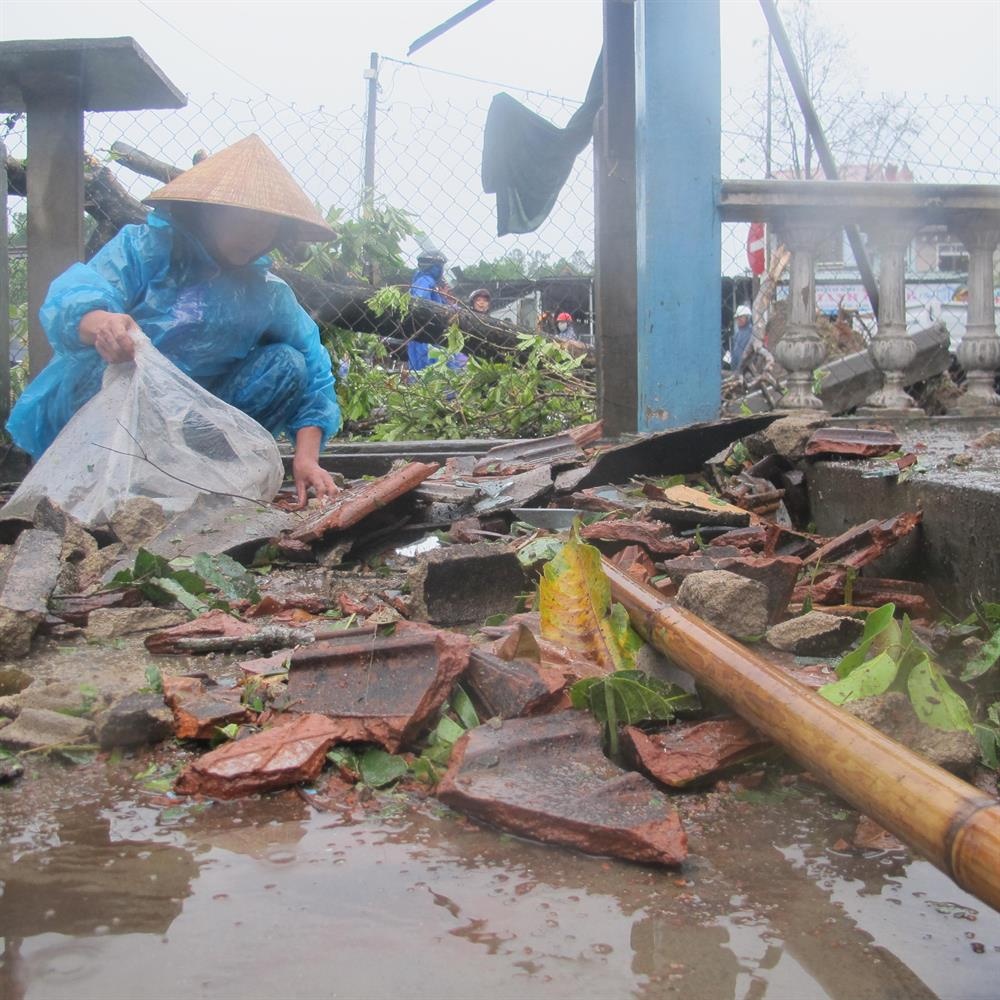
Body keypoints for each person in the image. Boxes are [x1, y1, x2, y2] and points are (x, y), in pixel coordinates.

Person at [6, 135, 341, 507]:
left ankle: (196, 488)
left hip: (190, 435)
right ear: (206, 212)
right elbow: (77, 293)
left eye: (268, 225)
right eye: (244, 220)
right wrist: (104, 323)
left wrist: (306, 458)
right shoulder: (145, 250)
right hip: (109, 417)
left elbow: (313, 371)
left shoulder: (267, 294)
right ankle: (101, 483)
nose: (256, 236)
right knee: (102, 365)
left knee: (288, 364)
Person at [408, 248, 449, 372]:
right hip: (425, 337)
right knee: (429, 372)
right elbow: (420, 304)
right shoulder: (426, 281)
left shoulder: (421, 280)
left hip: (423, 336)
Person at [731, 304, 754, 371]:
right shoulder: (737, 335)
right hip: (736, 369)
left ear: (747, 317)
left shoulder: (752, 332)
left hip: (748, 369)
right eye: (737, 317)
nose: (739, 319)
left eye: (741, 317)